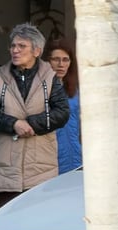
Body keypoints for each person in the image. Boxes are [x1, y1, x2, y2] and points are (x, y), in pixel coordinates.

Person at [0, 23, 69, 210]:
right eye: (13, 46)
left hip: (41, 170)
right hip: (5, 173)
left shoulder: (50, 78)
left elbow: (61, 113)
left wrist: (30, 124)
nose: (15, 50)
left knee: (41, 225)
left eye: (22, 46)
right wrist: (13, 124)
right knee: (4, 227)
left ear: (36, 51)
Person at [44, 38, 82, 173]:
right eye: (56, 59)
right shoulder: (38, 90)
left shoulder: (75, 92)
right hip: (49, 161)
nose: (61, 64)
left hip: (76, 158)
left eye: (65, 60)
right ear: (47, 61)